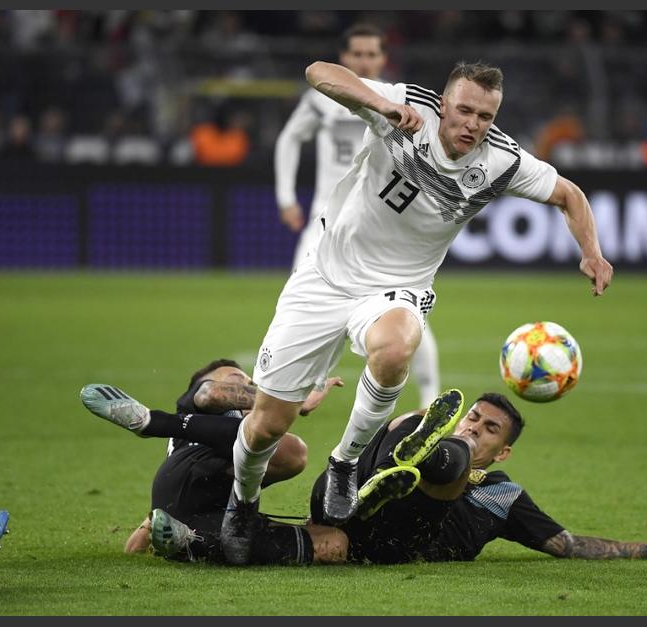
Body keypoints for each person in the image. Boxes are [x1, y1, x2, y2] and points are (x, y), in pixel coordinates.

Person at [225, 57, 615, 564]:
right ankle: (242, 502)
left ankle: (345, 462)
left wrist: (592, 250)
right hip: (323, 279)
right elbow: (318, 72)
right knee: (266, 427)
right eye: (464, 110)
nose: (472, 125)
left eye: (486, 117)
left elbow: (570, 194)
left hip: (397, 289)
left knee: (396, 347)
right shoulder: (406, 106)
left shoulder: (502, 161)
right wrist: (381, 105)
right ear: (445, 102)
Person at [146, 390, 647, 565]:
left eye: (489, 429)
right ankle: (382, 467)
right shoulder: (463, 447)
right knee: (413, 429)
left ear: (504, 452)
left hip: (396, 542)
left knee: (445, 466)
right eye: (473, 418)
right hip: (338, 500)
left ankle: (405, 469)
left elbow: (568, 545)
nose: (477, 427)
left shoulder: (504, 495)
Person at [274, 23, 442, 408]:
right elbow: (289, 138)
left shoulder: (400, 102)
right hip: (323, 222)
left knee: (406, 313)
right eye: (357, 55)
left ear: (383, 59)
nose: (364, 61)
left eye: (371, 55)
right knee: (302, 305)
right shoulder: (323, 98)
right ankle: (296, 389)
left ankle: (430, 403)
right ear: (344, 57)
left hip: (375, 224)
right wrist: (286, 198)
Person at [79, 360, 348, 565]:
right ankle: (152, 421)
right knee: (293, 450)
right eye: (237, 379)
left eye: (250, 383)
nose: (247, 386)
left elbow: (135, 545)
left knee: (335, 542)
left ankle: (188, 543)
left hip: (208, 512)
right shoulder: (197, 402)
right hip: (196, 465)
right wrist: (289, 401)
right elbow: (213, 394)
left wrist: (145, 531)